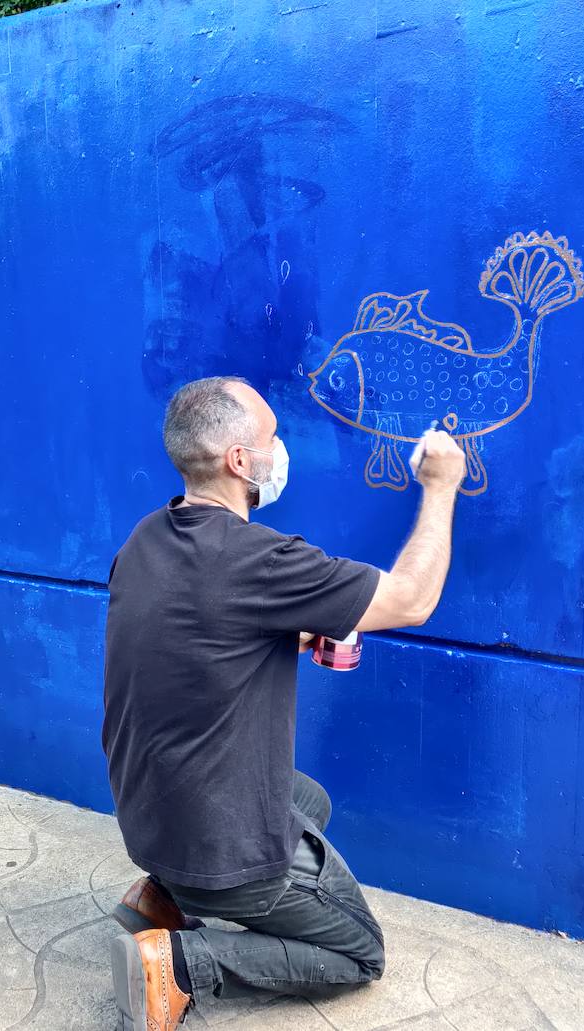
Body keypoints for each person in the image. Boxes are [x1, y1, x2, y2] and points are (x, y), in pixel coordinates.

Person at [101, 376, 466, 1029]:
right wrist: (441, 485)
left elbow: (195, 638)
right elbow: (412, 598)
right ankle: (182, 964)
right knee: (358, 952)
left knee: (311, 803)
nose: (281, 448)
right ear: (240, 461)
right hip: (217, 843)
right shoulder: (258, 559)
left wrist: (288, 636)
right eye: (272, 437)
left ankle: (162, 896)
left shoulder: (143, 543)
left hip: (149, 821)